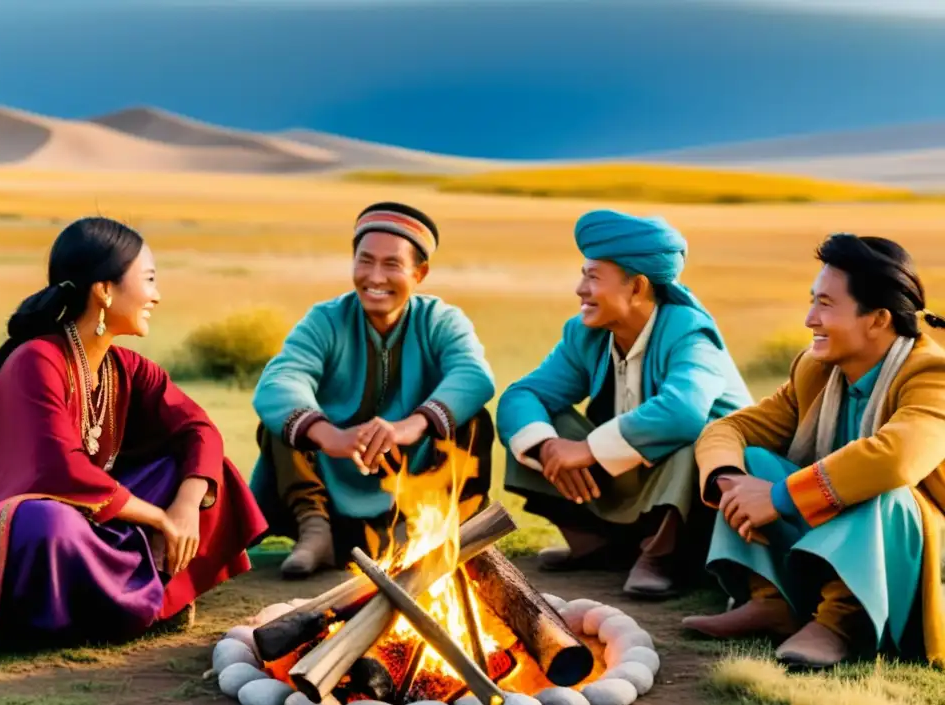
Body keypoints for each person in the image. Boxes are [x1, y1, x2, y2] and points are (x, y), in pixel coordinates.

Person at [0, 217, 269, 666]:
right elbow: (59, 472)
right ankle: (132, 603)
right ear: (105, 291)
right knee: (46, 524)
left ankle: (132, 600)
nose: (157, 295)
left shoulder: (127, 368)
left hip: (86, 521)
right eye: (148, 279)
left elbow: (199, 430)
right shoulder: (37, 360)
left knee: (206, 472)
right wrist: (161, 520)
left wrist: (184, 506)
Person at [685, 234, 945, 669]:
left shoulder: (933, 375)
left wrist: (777, 498)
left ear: (877, 319)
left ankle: (843, 624)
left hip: (916, 555)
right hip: (834, 535)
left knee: (884, 489)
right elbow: (730, 429)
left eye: (825, 304)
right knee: (752, 460)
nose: (810, 319)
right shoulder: (817, 368)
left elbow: (898, 459)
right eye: (812, 302)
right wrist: (731, 481)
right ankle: (772, 601)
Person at [496, 209, 752, 598]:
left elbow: (684, 413)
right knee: (536, 426)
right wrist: (549, 447)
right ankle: (595, 543)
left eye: (593, 277)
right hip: (635, 476)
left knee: (694, 440)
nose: (580, 289)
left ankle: (662, 556)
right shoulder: (585, 335)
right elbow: (521, 395)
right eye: (583, 275)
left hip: (704, 497)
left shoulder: (690, 332)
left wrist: (585, 450)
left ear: (637, 288)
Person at [250, 202, 496, 579]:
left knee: (472, 420)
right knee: (283, 420)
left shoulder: (440, 320)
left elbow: (475, 375)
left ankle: (418, 537)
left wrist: (408, 427)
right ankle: (314, 531)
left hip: (414, 488)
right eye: (365, 261)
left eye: (392, 264)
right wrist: (329, 435)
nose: (374, 277)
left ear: (420, 273)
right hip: (333, 487)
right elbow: (278, 381)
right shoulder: (326, 319)